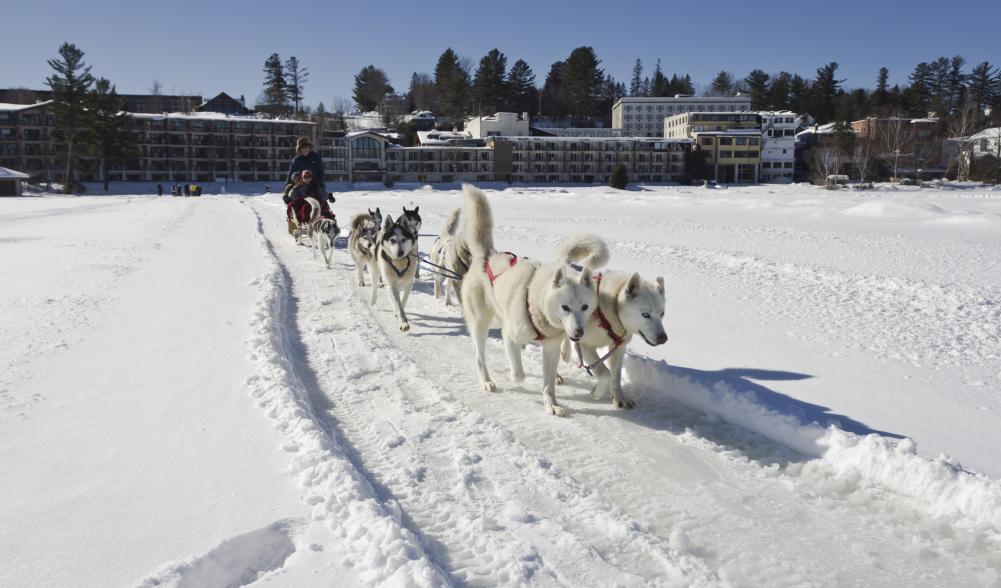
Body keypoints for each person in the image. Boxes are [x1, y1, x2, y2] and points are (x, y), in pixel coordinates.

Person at [286, 136, 331, 202]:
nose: (305, 149)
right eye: (303, 148)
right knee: (293, 199)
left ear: (310, 147)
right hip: (301, 187)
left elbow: (321, 174)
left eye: (306, 147)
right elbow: (290, 175)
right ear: (300, 149)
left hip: (315, 186)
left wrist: (319, 186)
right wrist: (286, 193)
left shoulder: (316, 158)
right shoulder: (297, 160)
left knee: (321, 202)